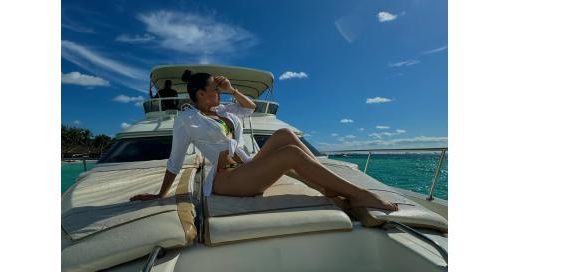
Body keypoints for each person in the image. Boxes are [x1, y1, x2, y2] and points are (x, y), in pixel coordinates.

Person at [130, 69, 397, 212]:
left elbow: (249, 108)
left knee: (284, 134)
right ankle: (360, 195)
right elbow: (175, 160)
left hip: (246, 168)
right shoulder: (187, 119)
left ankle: (324, 185)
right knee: (290, 153)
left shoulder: (222, 110)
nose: (220, 94)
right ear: (200, 93)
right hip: (228, 180)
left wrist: (231, 89)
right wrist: (160, 194)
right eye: (215, 90)